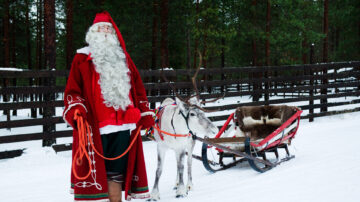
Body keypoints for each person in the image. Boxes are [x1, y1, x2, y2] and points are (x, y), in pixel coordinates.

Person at [63, 11, 154, 202]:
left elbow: (137, 87)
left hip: (123, 125)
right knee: (96, 172)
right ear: (93, 33)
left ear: (114, 34)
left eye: (108, 29)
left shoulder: (124, 59)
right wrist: (77, 109)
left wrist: (144, 112)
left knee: (116, 173)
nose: (105, 32)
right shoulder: (81, 59)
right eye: (101, 28)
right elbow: (72, 91)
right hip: (94, 128)